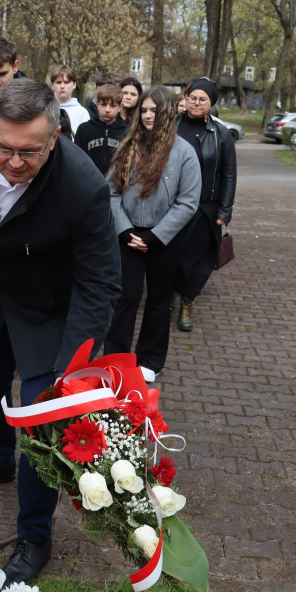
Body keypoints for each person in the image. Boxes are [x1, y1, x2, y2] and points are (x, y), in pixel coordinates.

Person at [0, 78, 121, 583]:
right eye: (5, 148)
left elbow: (100, 284)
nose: (14, 162)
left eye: (30, 151)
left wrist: (72, 373)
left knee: (42, 422)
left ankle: (34, 537)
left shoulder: (84, 187)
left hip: (54, 307)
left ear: (57, 135)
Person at [104, 86, 200, 383]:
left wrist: (156, 236)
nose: (147, 116)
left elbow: (188, 201)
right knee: (125, 298)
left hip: (165, 240)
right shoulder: (128, 146)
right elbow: (110, 192)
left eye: (153, 111)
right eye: (143, 110)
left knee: (158, 301)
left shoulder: (184, 152)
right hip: (128, 236)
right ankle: (116, 359)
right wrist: (124, 230)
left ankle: (150, 360)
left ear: (169, 113)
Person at [174, 77, 237, 332]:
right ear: (186, 99)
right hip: (173, 203)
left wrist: (225, 210)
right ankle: (170, 291)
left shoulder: (220, 133)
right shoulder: (171, 126)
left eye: (202, 99)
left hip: (205, 206)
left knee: (198, 259)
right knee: (173, 254)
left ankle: (187, 300)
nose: (196, 103)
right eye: (192, 98)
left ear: (210, 104)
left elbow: (229, 173)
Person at [73, 83, 129, 176]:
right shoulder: (84, 129)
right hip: (90, 182)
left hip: (115, 183)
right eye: (103, 104)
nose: (107, 110)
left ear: (120, 107)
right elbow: (76, 159)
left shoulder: (126, 132)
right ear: (97, 104)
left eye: (112, 105)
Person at [50, 65, 90, 136]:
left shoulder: (82, 113)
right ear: (52, 85)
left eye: (66, 82)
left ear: (74, 84)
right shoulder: (45, 109)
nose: (62, 86)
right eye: (58, 82)